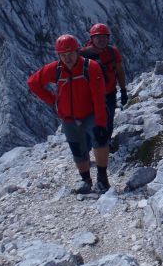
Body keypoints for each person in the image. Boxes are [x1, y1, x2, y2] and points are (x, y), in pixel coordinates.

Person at [27, 34, 111, 194]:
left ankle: (102, 178)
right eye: (63, 55)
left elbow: (99, 97)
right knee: (77, 148)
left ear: (77, 51)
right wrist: (53, 100)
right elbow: (33, 83)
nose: (67, 58)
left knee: (100, 140)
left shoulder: (91, 67)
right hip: (68, 117)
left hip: (90, 114)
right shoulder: (55, 69)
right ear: (58, 56)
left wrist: (101, 122)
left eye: (70, 54)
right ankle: (85, 180)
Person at [80, 23, 128, 152]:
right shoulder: (84, 55)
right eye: (98, 37)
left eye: (104, 37)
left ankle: (105, 142)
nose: (101, 40)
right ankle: (87, 149)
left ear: (108, 38)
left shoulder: (113, 52)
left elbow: (119, 71)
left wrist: (123, 90)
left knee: (108, 119)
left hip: (109, 93)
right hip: (91, 96)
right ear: (92, 39)